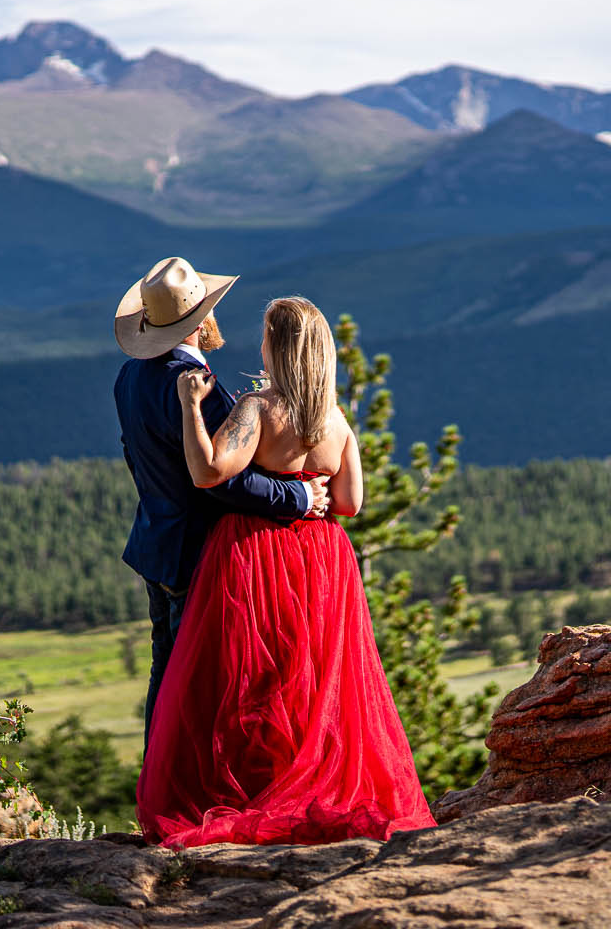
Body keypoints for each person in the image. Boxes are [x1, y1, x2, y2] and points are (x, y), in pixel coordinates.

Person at [136, 295, 435, 847]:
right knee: (312, 682)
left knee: (250, 684)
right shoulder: (335, 418)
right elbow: (349, 501)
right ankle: (313, 788)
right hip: (323, 564)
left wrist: (187, 407)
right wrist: (309, 488)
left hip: (256, 556)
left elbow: (207, 473)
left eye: (266, 338)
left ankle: (251, 793)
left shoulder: (255, 408)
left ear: (277, 348)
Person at [113, 257, 327, 742]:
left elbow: (135, 457)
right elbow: (223, 481)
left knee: (165, 674)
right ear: (200, 321)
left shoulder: (130, 376)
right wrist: (297, 496)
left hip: (156, 544)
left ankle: (157, 782)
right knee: (210, 683)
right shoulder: (200, 390)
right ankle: (197, 793)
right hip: (204, 557)